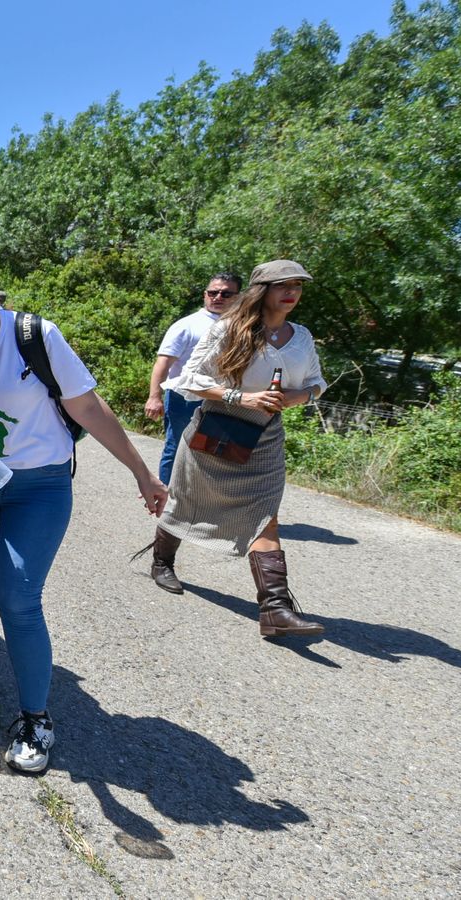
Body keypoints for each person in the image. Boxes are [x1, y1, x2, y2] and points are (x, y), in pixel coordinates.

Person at [0, 248, 166, 775]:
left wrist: (142, 473)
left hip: (41, 485)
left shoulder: (35, 336)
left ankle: (34, 718)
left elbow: (88, 407)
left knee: (19, 599)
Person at [147, 260, 328, 637]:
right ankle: (162, 562)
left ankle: (275, 609)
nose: (291, 292)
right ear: (263, 290)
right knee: (185, 499)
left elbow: (316, 382)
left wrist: (300, 396)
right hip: (218, 427)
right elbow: (190, 379)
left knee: (266, 514)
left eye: (296, 285)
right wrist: (240, 397)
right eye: (282, 286)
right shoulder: (229, 329)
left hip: (265, 436)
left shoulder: (302, 337)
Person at [145, 273, 243, 486]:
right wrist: (154, 397)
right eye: (213, 292)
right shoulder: (187, 325)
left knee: (214, 452)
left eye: (226, 293)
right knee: (178, 446)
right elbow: (163, 363)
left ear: (238, 297)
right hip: (184, 398)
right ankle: (166, 497)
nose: (218, 297)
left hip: (221, 398)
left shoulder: (241, 327)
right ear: (204, 295)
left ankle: (199, 500)